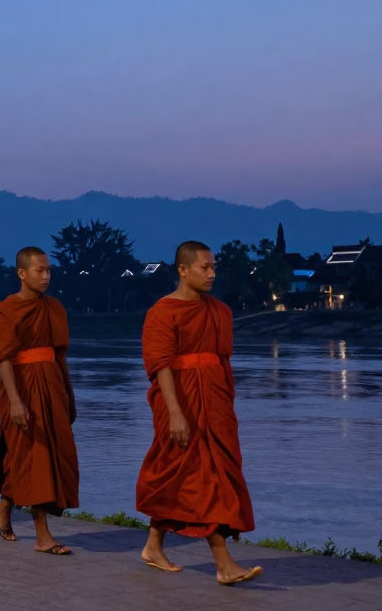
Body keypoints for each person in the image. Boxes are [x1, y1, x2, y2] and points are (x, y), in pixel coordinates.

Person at [136, 241, 261, 586]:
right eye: (204, 267)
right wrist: (175, 413)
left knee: (183, 477)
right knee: (204, 478)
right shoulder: (163, 312)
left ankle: (152, 547)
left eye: (213, 267)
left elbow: (223, 360)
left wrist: (226, 403)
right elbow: (160, 366)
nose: (211, 274)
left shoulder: (219, 311)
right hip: (180, 400)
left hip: (216, 401)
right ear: (182, 269)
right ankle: (224, 564)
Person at [0, 247, 79, 555]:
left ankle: (4, 506)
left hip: (52, 385)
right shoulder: (6, 311)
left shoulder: (54, 307)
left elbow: (60, 356)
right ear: (22, 273)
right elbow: (4, 361)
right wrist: (15, 401)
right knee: (33, 457)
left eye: (49, 270)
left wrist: (70, 396)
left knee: (47, 457)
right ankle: (43, 536)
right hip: (23, 387)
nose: (46, 276)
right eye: (39, 271)